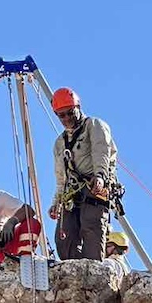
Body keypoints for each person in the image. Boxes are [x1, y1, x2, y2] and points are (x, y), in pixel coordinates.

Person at [48, 88, 119, 261]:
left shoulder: (94, 126)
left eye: (70, 113)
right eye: (61, 115)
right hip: (71, 192)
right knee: (64, 237)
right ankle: (75, 274)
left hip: (93, 186)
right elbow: (61, 176)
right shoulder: (60, 143)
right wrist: (56, 202)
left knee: (91, 228)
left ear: (78, 107)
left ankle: (94, 273)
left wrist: (101, 176)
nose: (66, 119)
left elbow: (101, 151)